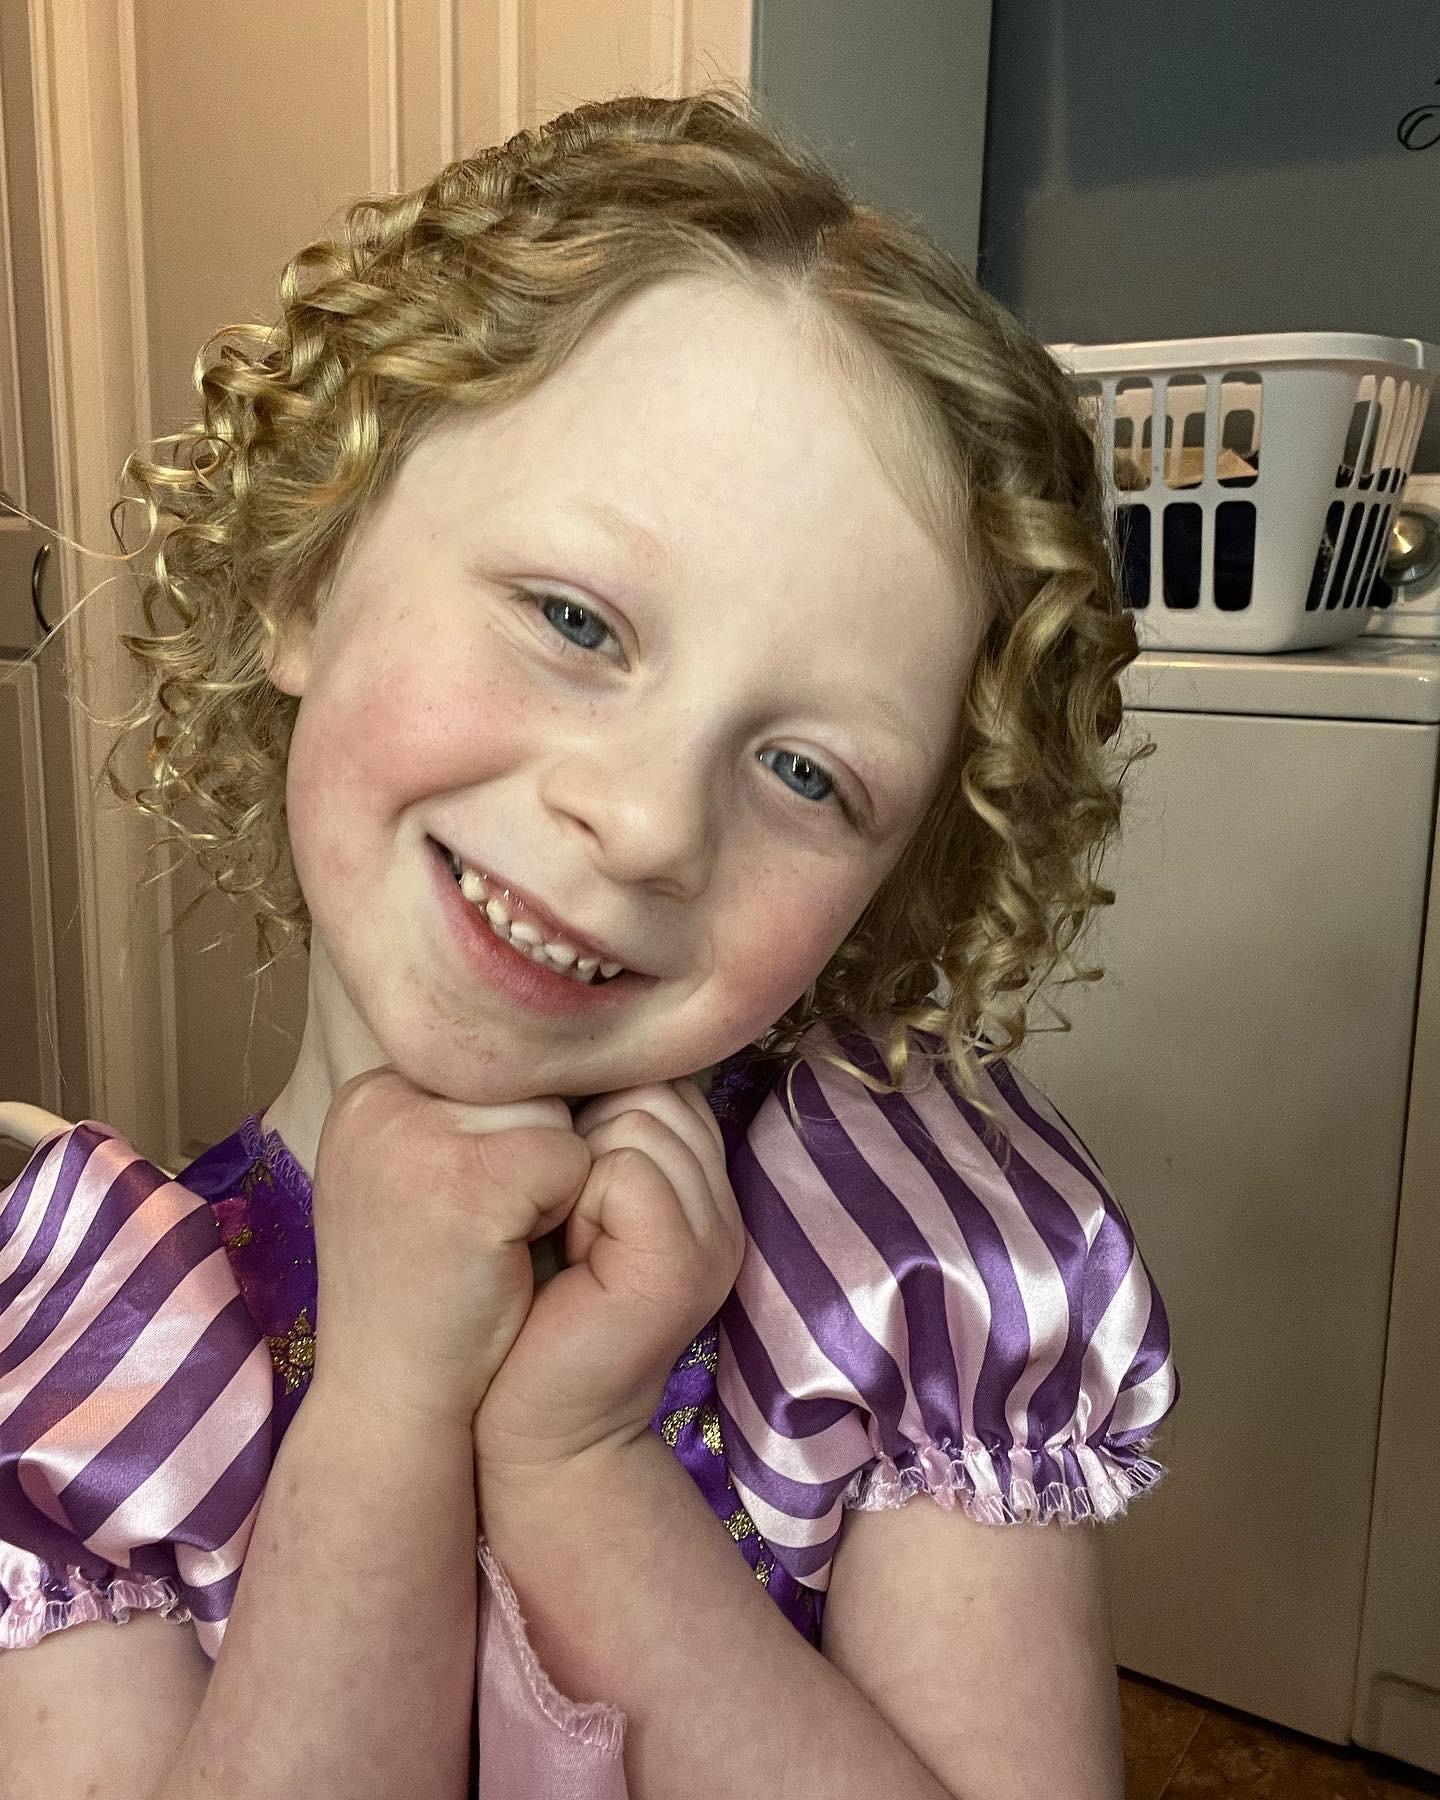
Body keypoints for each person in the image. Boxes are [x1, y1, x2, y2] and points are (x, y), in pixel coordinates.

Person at [0, 90, 1177, 1800]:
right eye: (572, 619)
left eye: (806, 772)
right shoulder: (91, 1358)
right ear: (306, 576)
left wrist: (584, 1467)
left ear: (896, 879)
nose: (645, 823)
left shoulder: (903, 1271)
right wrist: (389, 1409)